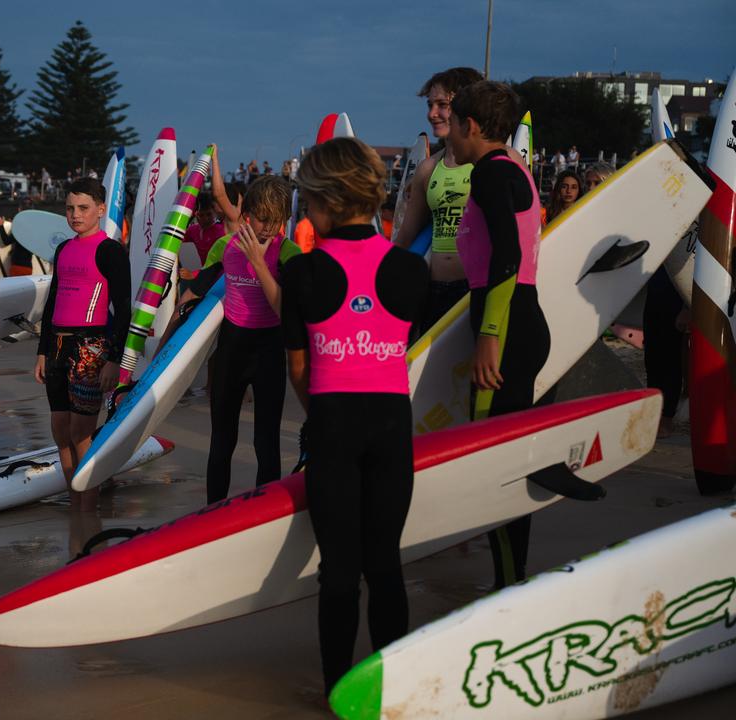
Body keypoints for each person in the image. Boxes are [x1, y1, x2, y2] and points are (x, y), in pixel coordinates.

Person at [283, 137, 428, 693]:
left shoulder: (301, 273)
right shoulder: (409, 270)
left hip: (333, 424)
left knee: (339, 571)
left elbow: (300, 370)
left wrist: (324, 416)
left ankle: (338, 691)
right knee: (385, 563)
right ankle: (391, 688)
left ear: (325, 199)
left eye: (307, 199)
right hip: (391, 425)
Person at [447, 80, 549, 589]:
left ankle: (510, 585)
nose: (447, 134)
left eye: (451, 123)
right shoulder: (510, 168)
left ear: (470, 125)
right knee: (502, 456)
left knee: (497, 463)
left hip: (506, 326)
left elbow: (508, 255)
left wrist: (490, 335)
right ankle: (510, 578)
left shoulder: (491, 173)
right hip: (515, 320)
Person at [179, 175, 300, 504]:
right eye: (262, 219)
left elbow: (288, 311)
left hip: (270, 351)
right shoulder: (225, 247)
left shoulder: (289, 253)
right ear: (247, 215)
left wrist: (259, 263)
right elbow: (193, 295)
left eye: (276, 220)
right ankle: (213, 512)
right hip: (231, 350)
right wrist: (163, 355)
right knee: (222, 440)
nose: (268, 228)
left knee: (266, 442)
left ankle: (265, 513)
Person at [34, 178, 130, 511]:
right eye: (70, 208)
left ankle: (89, 507)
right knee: (60, 431)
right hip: (58, 345)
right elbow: (52, 302)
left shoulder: (111, 250)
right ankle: (75, 501)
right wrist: (42, 351)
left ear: (100, 210)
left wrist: (114, 359)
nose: (75, 214)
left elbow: (123, 309)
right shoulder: (64, 249)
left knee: (81, 432)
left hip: (91, 347)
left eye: (83, 208)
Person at [390, 67, 484, 334]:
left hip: (477, 289)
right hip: (435, 289)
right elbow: (406, 235)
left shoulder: (494, 161)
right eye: (430, 105)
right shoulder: (428, 169)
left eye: (442, 105)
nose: (432, 113)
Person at [179, 193, 226, 271]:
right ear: (195, 214)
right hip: (200, 272)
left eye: (209, 214)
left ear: (215, 211)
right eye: (201, 215)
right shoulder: (192, 230)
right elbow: (178, 244)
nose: (205, 219)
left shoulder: (221, 230)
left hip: (217, 272)